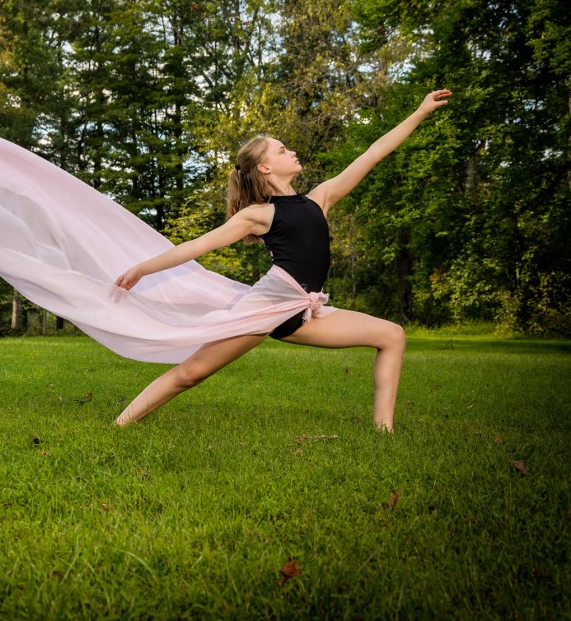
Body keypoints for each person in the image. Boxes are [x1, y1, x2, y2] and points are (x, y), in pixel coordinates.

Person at [113, 89, 452, 432]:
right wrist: (143, 268)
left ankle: (384, 432)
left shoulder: (319, 199)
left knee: (392, 335)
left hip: (304, 312)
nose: (291, 151)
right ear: (265, 166)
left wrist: (420, 112)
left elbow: (373, 153)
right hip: (268, 305)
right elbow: (198, 246)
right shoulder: (260, 214)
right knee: (191, 373)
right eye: (282, 149)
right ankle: (121, 424)